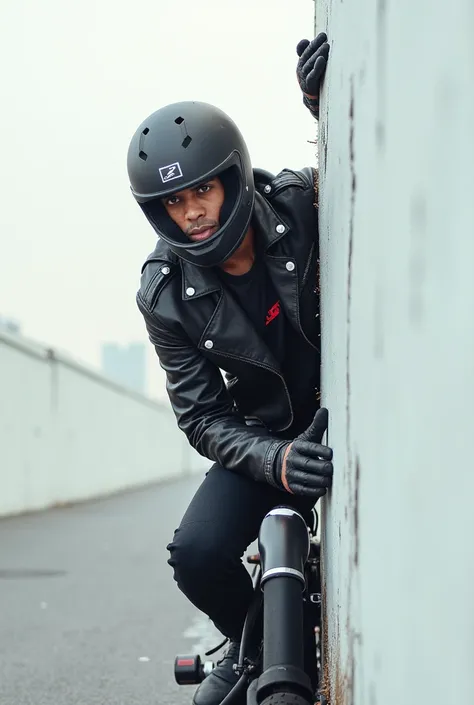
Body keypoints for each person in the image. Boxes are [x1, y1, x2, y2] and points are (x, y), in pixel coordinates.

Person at [127, 34, 333, 705]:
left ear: (232, 178)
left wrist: (319, 104)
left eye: (202, 191)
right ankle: (249, 643)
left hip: (339, 421)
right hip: (264, 441)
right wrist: (274, 459)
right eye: (174, 205)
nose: (190, 213)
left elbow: (368, 187)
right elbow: (200, 414)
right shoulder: (163, 291)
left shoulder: (299, 207)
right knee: (196, 554)